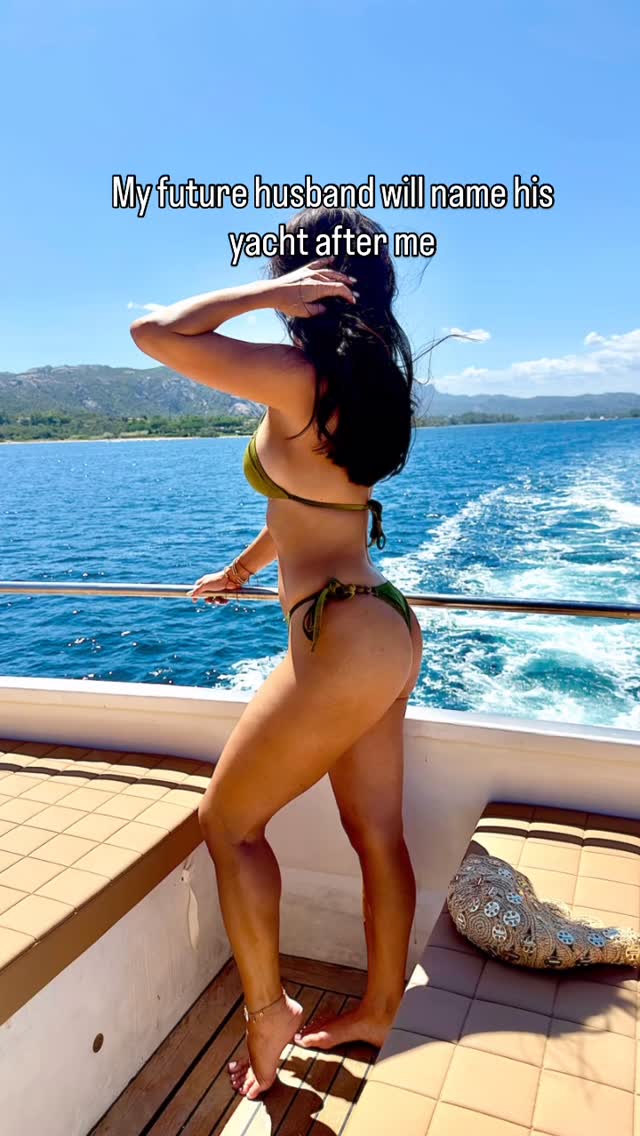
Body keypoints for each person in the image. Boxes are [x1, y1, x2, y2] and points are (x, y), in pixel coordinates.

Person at [130, 206, 424, 1100]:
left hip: (340, 638)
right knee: (378, 835)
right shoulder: (367, 382)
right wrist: (240, 570)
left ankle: (270, 1012)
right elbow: (310, 503)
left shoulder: (297, 375)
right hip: (385, 623)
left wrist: (269, 294)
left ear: (308, 280)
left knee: (228, 824)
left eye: (288, 272)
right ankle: (379, 1009)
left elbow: (153, 332)